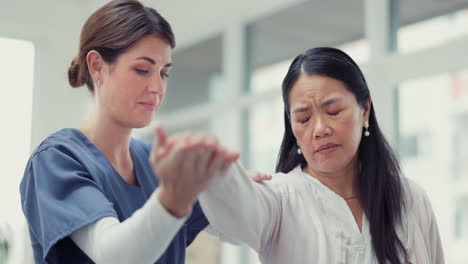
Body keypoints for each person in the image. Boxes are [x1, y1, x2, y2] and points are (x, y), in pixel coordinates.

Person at [19, 1, 242, 263]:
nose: (157, 87)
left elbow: (236, 231)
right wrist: (172, 198)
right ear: (97, 66)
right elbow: (113, 255)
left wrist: (230, 184)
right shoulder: (57, 159)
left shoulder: (155, 161)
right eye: (142, 70)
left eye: (164, 73)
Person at [176, 47, 443, 263]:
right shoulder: (278, 198)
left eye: (334, 111)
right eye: (303, 118)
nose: (319, 129)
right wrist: (219, 176)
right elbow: (235, 210)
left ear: (365, 108)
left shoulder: (410, 198)